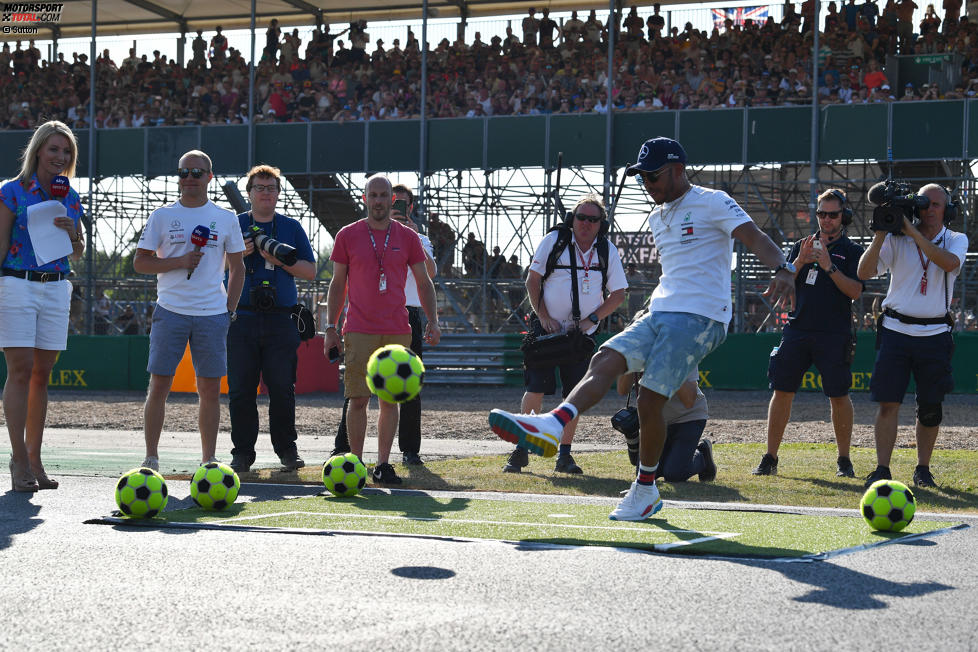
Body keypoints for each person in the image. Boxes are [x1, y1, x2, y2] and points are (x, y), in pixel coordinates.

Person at [489, 137, 795, 520]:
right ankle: (554, 424)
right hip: (661, 310)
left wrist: (783, 268)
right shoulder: (657, 217)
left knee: (650, 398)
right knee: (605, 358)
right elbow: (676, 275)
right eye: (642, 177)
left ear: (678, 170)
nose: (647, 184)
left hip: (702, 316)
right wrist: (648, 311)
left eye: (653, 175)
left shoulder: (712, 201)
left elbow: (756, 238)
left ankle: (645, 490)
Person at [323, 175, 441, 485]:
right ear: (365, 199)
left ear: (392, 200)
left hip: (397, 329)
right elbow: (337, 284)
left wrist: (433, 320)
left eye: (383, 195)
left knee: (390, 401)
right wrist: (331, 327)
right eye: (373, 195)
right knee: (358, 398)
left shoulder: (407, 236)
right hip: (359, 328)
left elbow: (424, 281)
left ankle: (384, 464)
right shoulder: (347, 235)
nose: (378, 201)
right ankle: (356, 464)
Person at [133, 150, 246, 471]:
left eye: (197, 173)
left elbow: (238, 268)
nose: (190, 179)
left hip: (213, 314)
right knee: (159, 385)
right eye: (184, 173)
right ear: (178, 177)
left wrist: (229, 311)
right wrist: (179, 262)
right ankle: (151, 457)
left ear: (209, 177)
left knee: (210, 389)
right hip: (170, 310)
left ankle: (209, 459)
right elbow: (140, 262)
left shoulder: (225, 219)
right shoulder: (162, 216)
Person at [501, 193, 627, 475]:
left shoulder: (607, 250)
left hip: (579, 336)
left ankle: (565, 455)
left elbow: (618, 293)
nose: (586, 224)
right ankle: (521, 449)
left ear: (601, 224)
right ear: (573, 219)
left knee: (573, 394)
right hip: (546, 331)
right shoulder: (554, 241)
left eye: (593, 220)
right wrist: (543, 316)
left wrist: (592, 319)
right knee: (535, 389)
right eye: (581, 217)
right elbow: (532, 280)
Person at [857, 184, 968, 488]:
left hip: (935, 332)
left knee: (930, 407)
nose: (929, 209)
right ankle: (882, 468)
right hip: (895, 330)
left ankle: (923, 468)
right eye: (924, 204)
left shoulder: (956, 239)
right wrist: (882, 232)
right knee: (887, 402)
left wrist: (913, 233)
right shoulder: (895, 239)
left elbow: (948, 263)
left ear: (948, 210)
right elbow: (864, 273)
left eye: (936, 204)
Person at [753, 189, 865, 479]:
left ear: (844, 217)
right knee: (782, 391)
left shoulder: (852, 251)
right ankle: (770, 457)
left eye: (833, 214)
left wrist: (829, 266)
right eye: (821, 214)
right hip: (798, 329)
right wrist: (800, 261)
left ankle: (844, 460)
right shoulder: (800, 245)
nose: (826, 220)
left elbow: (855, 291)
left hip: (834, 332)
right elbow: (785, 280)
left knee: (839, 395)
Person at [0, 120, 85, 491]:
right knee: (19, 370)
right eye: (53, 149)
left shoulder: (71, 197)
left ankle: (35, 459)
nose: (60, 157)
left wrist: (72, 232)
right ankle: (18, 460)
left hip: (56, 286)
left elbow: (78, 252)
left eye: (66, 151)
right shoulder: (12, 191)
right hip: (17, 284)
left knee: (42, 374)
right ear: (37, 151)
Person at [226, 165, 316, 474]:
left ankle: (287, 450)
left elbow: (310, 271)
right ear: (249, 193)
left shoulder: (291, 227)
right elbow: (211, 267)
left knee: (282, 387)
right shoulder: (233, 224)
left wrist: (278, 261)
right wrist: (236, 256)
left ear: (278, 194)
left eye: (270, 188)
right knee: (240, 389)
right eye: (259, 188)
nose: (265, 193)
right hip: (242, 317)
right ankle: (242, 453)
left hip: (281, 319)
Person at [617, 364, 715, 483]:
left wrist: (666, 367)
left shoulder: (684, 352)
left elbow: (689, 400)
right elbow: (623, 389)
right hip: (657, 422)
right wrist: (632, 363)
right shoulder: (641, 350)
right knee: (645, 473)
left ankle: (702, 454)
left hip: (688, 418)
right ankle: (672, 457)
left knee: (674, 474)